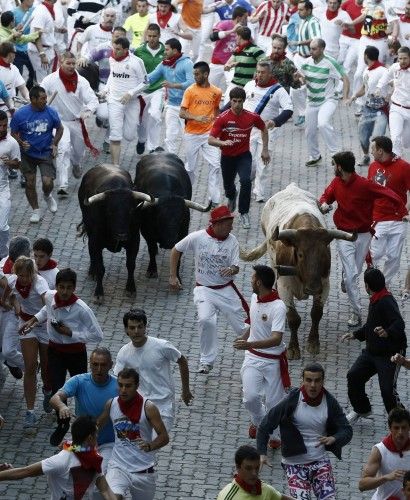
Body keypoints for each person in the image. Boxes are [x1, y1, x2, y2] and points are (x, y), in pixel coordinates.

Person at [318, 150, 404, 327]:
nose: (333, 168)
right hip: (344, 234)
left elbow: (389, 193)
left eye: (334, 165)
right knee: (351, 276)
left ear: (340, 167)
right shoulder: (336, 182)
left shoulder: (365, 185)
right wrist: (325, 204)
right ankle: (356, 312)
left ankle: (346, 278)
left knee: (354, 272)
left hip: (364, 235)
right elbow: (326, 196)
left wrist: (401, 209)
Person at [169, 205, 249, 373]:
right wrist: (173, 276)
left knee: (243, 328)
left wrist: (232, 270)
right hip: (204, 289)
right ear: (217, 224)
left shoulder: (232, 241)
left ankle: (257, 351)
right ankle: (207, 360)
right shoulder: (198, 237)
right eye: (229, 223)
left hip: (226, 289)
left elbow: (236, 266)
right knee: (205, 320)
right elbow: (176, 249)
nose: (232, 227)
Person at [20, 267, 104, 427]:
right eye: (61, 287)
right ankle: (62, 423)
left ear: (74, 288)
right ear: (56, 286)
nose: (65, 291)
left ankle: (83, 423)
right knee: (58, 388)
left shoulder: (82, 309)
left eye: (69, 288)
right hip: (55, 352)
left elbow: (97, 335)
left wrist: (71, 333)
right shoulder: (50, 297)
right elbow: (46, 310)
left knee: (81, 389)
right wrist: (34, 319)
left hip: (76, 354)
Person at [256, 362, 353, 500]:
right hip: (294, 463)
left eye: (317, 380)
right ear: (303, 380)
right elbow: (266, 425)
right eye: (309, 380)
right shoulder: (292, 400)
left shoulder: (330, 402)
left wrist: (335, 438)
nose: (313, 385)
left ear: (322, 381)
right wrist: (262, 453)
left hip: (320, 461)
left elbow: (347, 430)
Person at [233, 265, 289, 449]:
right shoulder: (254, 297)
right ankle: (259, 423)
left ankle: (273, 433)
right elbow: (254, 324)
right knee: (250, 398)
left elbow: (276, 338)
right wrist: (244, 337)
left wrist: (249, 343)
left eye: (251, 278)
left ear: (258, 282)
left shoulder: (279, 307)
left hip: (272, 361)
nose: (249, 281)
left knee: (274, 404)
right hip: (252, 359)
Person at [342, 268, 406, 424]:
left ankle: (401, 421)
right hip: (372, 353)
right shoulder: (375, 298)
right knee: (354, 376)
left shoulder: (385, 300)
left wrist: (387, 332)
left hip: (390, 355)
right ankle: (362, 409)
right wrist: (356, 334)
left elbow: (399, 323)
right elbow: (371, 325)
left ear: (367, 286)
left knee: (387, 390)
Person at [0, 415, 117, 500]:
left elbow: (105, 489)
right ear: (90, 438)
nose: (98, 436)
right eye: (96, 433)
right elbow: (25, 471)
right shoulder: (64, 460)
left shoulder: (92, 458)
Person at [113, 308, 193, 431]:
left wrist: (185, 390)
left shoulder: (161, 346)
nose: (136, 331)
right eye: (132, 328)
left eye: (140, 327)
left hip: (164, 405)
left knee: (155, 442)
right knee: (142, 446)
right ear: (126, 330)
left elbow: (182, 361)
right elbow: (116, 379)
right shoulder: (124, 353)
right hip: (140, 407)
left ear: (145, 327)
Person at [98, 367, 169, 500]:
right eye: (120, 385)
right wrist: (72, 444)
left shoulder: (148, 408)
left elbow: (164, 437)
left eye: (128, 386)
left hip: (143, 471)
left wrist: (149, 446)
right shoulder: (111, 404)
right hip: (118, 467)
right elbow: (95, 428)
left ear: (137, 386)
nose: (123, 390)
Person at [49, 347, 118, 477]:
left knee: (100, 473)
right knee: (63, 455)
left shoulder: (118, 386)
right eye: (95, 364)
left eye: (103, 365)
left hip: (108, 444)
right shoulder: (79, 381)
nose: (98, 369)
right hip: (83, 444)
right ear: (90, 364)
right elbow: (55, 398)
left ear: (110, 365)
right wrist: (62, 407)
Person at [208, 86, 270, 229]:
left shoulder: (252, 117)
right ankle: (231, 195)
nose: (237, 104)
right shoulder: (222, 118)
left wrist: (265, 149)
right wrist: (223, 142)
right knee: (228, 186)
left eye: (240, 101)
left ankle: (244, 213)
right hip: (227, 157)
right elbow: (210, 139)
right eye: (234, 101)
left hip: (243, 156)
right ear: (230, 101)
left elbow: (264, 128)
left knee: (246, 181)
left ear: (244, 101)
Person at [0, 256, 50, 430]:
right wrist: (14, 306)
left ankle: (48, 390)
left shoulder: (40, 283)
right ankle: (30, 411)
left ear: (33, 273)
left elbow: (48, 305)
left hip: (43, 326)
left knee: (46, 367)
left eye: (26, 276)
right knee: (29, 367)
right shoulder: (13, 281)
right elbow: (5, 296)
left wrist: (34, 320)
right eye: (20, 275)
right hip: (26, 326)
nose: (23, 279)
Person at [41, 50, 99, 196]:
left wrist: (89, 110)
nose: (72, 66)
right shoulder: (50, 79)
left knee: (78, 152)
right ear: (61, 62)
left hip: (76, 122)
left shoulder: (82, 82)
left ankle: (76, 163)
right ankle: (63, 184)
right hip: (59, 123)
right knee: (63, 148)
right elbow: (39, 93)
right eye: (68, 63)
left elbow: (93, 100)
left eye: (74, 63)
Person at [10, 85, 64, 224]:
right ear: (32, 99)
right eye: (42, 98)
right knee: (30, 183)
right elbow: (13, 133)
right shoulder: (20, 114)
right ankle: (36, 210)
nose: (45, 101)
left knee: (47, 182)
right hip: (27, 154)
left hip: (46, 152)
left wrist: (55, 144)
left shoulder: (51, 112)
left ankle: (47, 195)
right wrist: (21, 143)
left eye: (46, 98)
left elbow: (60, 128)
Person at [243, 59, 293, 203]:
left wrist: (275, 122)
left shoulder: (278, 90)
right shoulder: (249, 85)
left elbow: (289, 110)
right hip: (249, 130)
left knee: (262, 162)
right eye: (258, 72)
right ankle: (248, 181)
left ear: (270, 73)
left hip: (267, 131)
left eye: (263, 72)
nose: (259, 75)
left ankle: (259, 192)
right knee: (249, 163)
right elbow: (236, 99)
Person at [296, 38, 349, 166]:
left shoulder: (330, 62)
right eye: (310, 48)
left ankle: (336, 155)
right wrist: (300, 79)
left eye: (314, 49)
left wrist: (345, 97)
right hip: (311, 101)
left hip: (328, 100)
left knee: (323, 123)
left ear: (322, 49)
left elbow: (345, 78)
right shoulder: (307, 62)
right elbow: (300, 75)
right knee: (310, 131)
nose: (311, 51)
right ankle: (315, 156)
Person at [368, 136, 410, 286]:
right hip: (378, 219)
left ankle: (382, 286)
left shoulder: (404, 167)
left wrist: (406, 211)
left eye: (373, 149)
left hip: (398, 221)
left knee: (394, 257)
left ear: (380, 150)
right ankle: (370, 274)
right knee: (375, 253)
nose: (371, 152)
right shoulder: (373, 166)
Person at [180, 61, 222, 206]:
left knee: (215, 165)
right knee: (190, 168)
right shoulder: (190, 91)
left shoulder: (216, 91)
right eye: (194, 74)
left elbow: (216, 109)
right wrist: (196, 117)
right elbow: (182, 113)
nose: (195, 77)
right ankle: (186, 194)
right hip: (192, 135)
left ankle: (215, 200)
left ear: (206, 74)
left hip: (209, 135)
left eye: (197, 74)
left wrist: (217, 123)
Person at [146, 37, 194, 155]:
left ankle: (190, 164)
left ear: (175, 50)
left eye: (167, 50)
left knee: (187, 136)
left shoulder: (187, 63)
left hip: (187, 107)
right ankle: (172, 158)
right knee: (170, 135)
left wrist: (172, 85)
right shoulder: (164, 64)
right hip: (171, 105)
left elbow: (191, 83)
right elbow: (150, 78)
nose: (164, 52)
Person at [104, 36, 147, 165]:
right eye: (114, 48)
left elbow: (146, 82)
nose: (115, 51)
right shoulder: (112, 59)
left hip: (132, 103)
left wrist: (131, 93)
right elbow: (112, 76)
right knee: (115, 136)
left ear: (126, 50)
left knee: (129, 136)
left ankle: (137, 135)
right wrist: (106, 89)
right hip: (114, 101)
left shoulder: (136, 62)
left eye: (118, 49)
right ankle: (115, 167)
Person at [348, 46, 388, 167]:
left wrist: (389, 95)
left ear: (366, 56)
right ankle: (366, 157)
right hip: (367, 110)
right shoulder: (367, 70)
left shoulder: (383, 70)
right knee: (363, 136)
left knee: (377, 138)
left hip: (381, 111)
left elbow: (392, 83)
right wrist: (354, 96)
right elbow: (364, 88)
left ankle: (379, 162)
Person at [358, 408, 410, 499]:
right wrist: (386, 477)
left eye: (404, 427)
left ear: (409, 427)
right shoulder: (379, 451)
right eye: (396, 428)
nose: (400, 432)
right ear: (390, 428)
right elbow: (362, 485)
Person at [0, 236, 30, 381]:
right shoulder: (3, 269)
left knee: (9, 349)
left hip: (14, 313)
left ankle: (27, 367)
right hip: (7, 311)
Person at [288, 0, 321, 127]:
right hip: (299, 57)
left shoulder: (313, 22)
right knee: (295, 87)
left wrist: (298, 43)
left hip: (309, 59)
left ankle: (314, 117)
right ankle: (303, 113)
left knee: (309, 88)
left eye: (301, 10)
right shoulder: (302, 20)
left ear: (309, 10)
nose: (299, 12)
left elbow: (316, 39)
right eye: (298, 9)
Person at [217, 445, 293, 500]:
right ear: (238, 467)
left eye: (257, 468)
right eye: (248, 468)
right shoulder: (227, 496)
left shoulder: (265, 489)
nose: (254, 473)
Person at [134, 23, 165, 154]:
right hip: (142, 90)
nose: (152, 39)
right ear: (146, 36)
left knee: (155, 115)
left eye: (154, 36)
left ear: (159, 36)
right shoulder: (139, 51)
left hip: (159, 89)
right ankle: (141, 140)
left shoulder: (166, 52)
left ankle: (153, 148)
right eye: (149, 36)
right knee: (143, 120)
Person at [376, 46, 410, 157]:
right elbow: (386, 76)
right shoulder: (395, 67)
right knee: (395, 138)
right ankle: (396, 161)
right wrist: (379, 87)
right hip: (396, 108)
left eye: (405, 58)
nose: (402, 61)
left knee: (406, 143)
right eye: (400, 58)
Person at [208, 6, 248, 93]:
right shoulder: (224, 24)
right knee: (209, 89)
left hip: (231, 64)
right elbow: (213, 37)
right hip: (217, 63)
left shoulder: (244, 29)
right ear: (238, 18)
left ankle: (229, 105)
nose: (246, 20)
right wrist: (232, 31)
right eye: (245, 18)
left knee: (233, 87)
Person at [0, 110, 21, 259]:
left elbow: (17, 164)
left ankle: (2, 255)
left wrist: (9, 162)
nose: (2, 129)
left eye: (5, 126)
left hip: (2, 190)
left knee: (1, 226)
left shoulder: (12, 142)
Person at [224, 26, 265, 98]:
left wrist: (257, 73)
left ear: (239, 36)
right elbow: (226, 67)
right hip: (234, 85)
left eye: (236, 36)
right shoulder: (238, 50)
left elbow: (265, 64)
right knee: (226, 106)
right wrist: (229, 66)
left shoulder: (256, 50)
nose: (235, 38)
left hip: (248, 86)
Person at [28, 0, 59, 83]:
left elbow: (46, 28)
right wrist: (42, 54)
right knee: (43, 82)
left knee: (50, 80)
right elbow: (36, 33)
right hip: (40, 51)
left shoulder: (48, 8)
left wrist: (58, 29)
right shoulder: (41, 11)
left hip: (48, 49)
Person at [13, 0, 37, 90]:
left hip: (31, 49)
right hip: (17, 51)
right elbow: (8, 30)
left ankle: (28, 92)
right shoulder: (13, 12)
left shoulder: (36, 11)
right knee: (17, 76)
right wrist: (16, 29)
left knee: (34, 74)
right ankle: (14, 98)